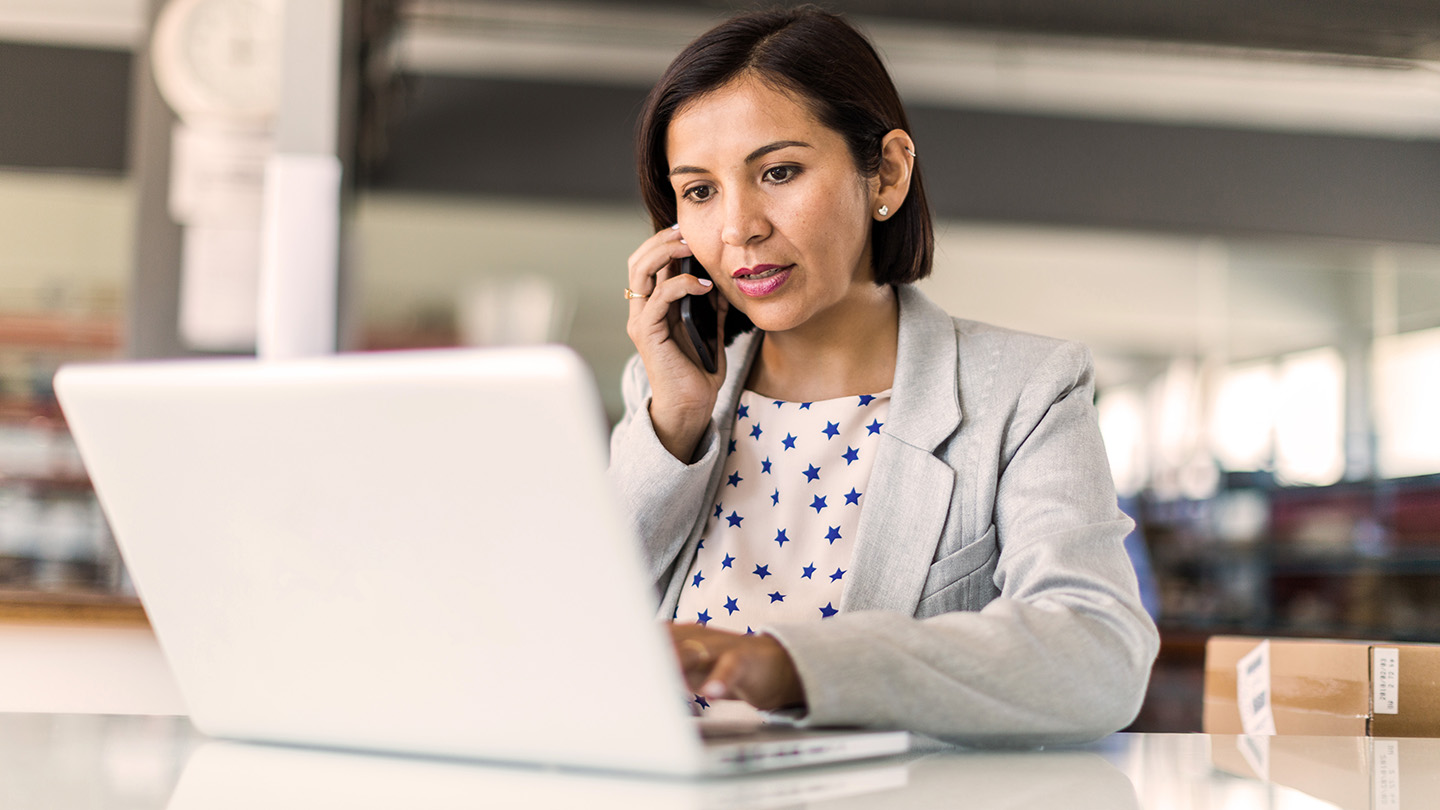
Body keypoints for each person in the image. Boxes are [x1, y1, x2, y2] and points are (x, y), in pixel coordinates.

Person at [609, 5, 1158, 746]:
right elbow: (579, 637)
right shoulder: (662, 400)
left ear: (887, 172)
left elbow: (1099, 656)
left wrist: (789, 666)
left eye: (778, 172)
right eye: (700, 191)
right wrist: (673, 425)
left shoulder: (1025, 392)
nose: (738, 227)